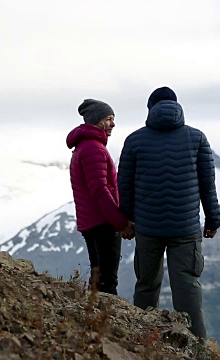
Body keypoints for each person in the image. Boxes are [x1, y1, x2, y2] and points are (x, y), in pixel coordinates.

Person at [118, 86, 220, 341]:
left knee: (146, 286)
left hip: (148, 228)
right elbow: (208, 185)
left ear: (150, 109)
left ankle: (140, 340)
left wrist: (126, 220)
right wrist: (212, 220)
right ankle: (198, 346)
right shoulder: (197, 138)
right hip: (185, 229)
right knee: (187, 286)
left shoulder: (134, 140)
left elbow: (125, 185)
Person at [67, 98, 135, 295]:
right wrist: (120, 223)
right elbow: (100, 190)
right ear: (96, 121)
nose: (113, 124)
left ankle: (93, 318)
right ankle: (104, 322)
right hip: (102, 222)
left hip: (94, 221)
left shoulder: (85, 146)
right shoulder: (93, 149)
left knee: (99, 279)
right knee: (107, 281)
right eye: (109, 118)